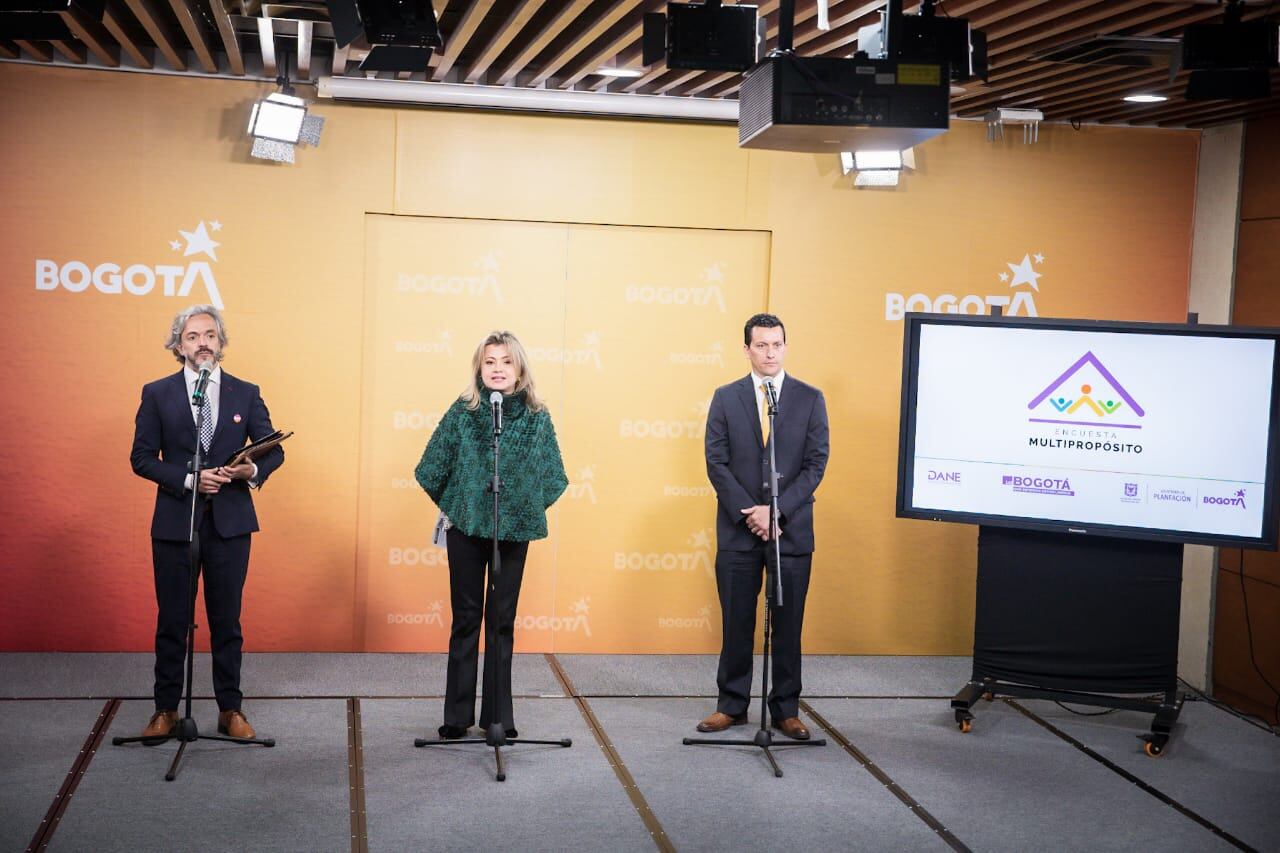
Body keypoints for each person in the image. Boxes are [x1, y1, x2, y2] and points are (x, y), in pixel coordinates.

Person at [130, 305, 285, 740]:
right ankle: (165, 709)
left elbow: (272, 450)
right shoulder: (157, 393)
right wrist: (188, 479)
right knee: (172, 619)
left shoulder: (245, 392)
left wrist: (248, 472)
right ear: (178, 345)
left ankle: (230, 708)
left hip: (231, 525)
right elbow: (141, 458)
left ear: (221, 343)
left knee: (226, 620)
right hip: (177, 522)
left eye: (211, 335)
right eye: (194, 335)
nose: (203, 343)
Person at [415, 331, 568, 739]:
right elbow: (430, 468)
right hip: (466, 530)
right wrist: (460, 503)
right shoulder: (463, 412)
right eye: (489, 362)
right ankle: (457, 716)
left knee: (502, 621)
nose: (497, 369)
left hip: (512, 533)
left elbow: (553, 477)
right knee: (466, 618)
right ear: (479, 369)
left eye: (505, 361)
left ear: (519, 369)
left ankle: (498, 716)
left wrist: (521, 508)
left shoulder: (537, 418)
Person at [698, 313, 830, 740]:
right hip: (739, 532)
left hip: (790, 533)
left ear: (785, 346)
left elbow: (815, 464)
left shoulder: (810, 398)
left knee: (789, 624)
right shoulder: (725, 397)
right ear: (747, 349)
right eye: (761, 345)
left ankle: (785, 709)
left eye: (777, 345)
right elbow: (715, 462)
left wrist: (777, 512)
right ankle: (731, 706)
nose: (770, 353)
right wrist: (750, 511)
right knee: (736, 621)